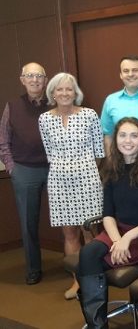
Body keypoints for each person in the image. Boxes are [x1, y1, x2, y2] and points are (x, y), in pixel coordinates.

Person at [76, 117, 138, 329]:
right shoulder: (110, 168)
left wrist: (127, 237)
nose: (128, 140)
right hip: (116, 232)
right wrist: (117, 240)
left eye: (134, 135)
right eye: (123, 135)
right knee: (87, 254)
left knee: (87, 265)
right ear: (115, 139)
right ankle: (97, 325)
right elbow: (107, 214)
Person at [38, 73, 105, 300]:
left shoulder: (89, 115)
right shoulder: (45, 119)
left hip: (87, 178)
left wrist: (82, 169)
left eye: (69, 89)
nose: (65, 93)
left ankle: (95, 278)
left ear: (76, 93)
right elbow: (49, 152)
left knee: (90, 231)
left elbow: (99, 151)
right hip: (58, 181)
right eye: (60, 89)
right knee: (69, 232)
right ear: (52, 93)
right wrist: (65, 169)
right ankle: (77, 282)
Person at [0, 62, 50, 285]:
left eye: (39, 76)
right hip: (25, 171)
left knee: (71, 219)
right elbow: (3, 141)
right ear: (22, 79)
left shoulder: (55, 103)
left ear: (45, 79)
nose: (34, 80)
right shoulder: (12, 106)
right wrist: (12, 168)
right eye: (29, 76)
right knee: (28, 223)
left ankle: (77, 268)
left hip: (55, 169)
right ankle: (33, 269)